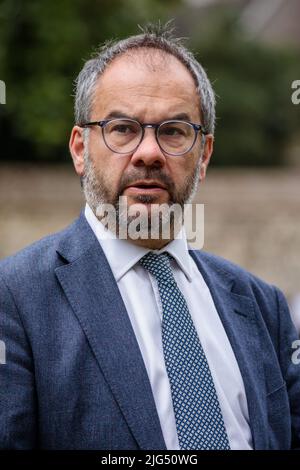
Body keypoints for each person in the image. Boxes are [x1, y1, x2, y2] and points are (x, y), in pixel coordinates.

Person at [0, 22, 299, 451]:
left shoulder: (262, 305)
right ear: (81, 149)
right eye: (122, 128)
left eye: (174, 131)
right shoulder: (14, 299)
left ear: (204, 156)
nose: (148, 153)